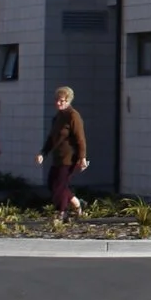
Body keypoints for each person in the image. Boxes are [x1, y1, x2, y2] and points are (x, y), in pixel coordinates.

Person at [37, 86, 89, 220]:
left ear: (68, 101)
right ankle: (78, 204)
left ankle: (62, 212)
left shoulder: (73, 115)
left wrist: (82, 157)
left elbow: (80, 138)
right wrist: (43, 153)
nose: (58, 103)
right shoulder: (58, 117)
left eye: (62, 101)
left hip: (69, 158)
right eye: (57, 100)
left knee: (59, 186)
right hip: (58, 157)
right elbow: (51, 138)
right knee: (52, 184)